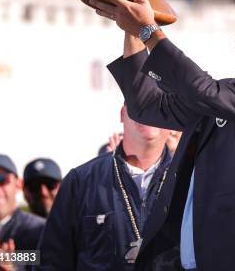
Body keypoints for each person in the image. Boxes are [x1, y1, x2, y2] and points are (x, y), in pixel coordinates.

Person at [92, 0, 235, 270]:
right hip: (183, 259)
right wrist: (132, 33)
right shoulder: (221, 95)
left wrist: (148, 30)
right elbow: (145, 106)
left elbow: (205, 92)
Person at [38, 104, 172, 269]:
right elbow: (50, 262)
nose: (149, 108)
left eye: (160, 101)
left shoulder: (193, 181)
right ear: (122, 113)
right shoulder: (80, 181)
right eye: (140, 100)